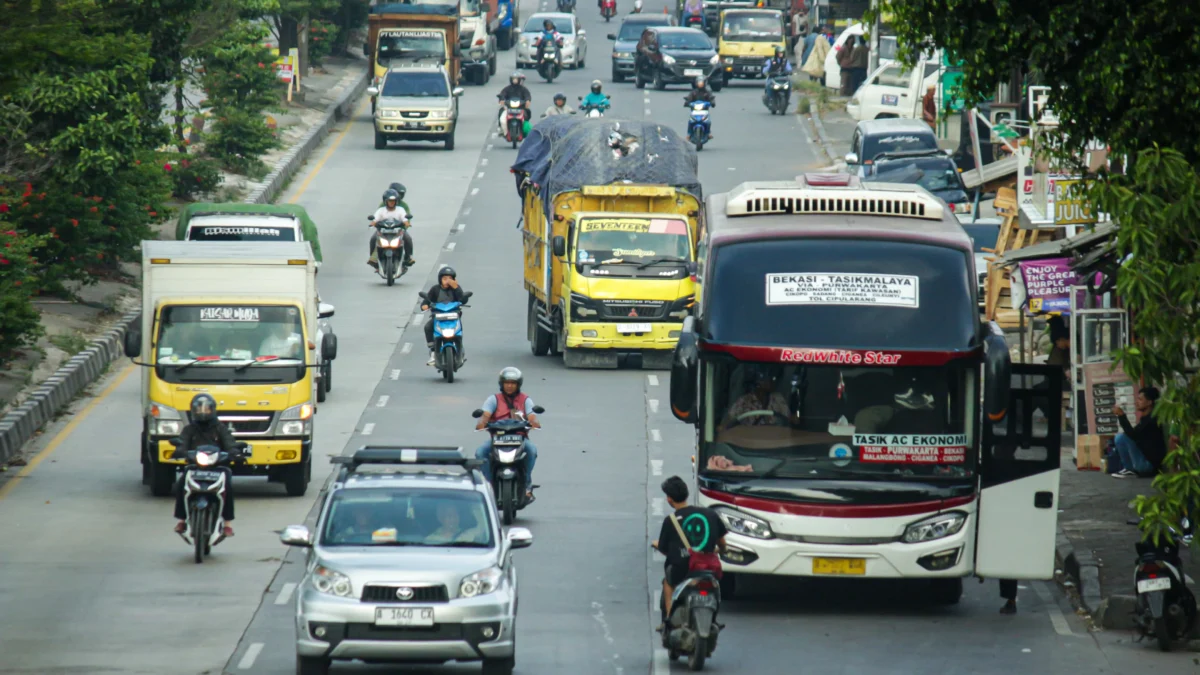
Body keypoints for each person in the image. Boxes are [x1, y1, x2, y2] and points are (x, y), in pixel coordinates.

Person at [651, 476, 727, 631]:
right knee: (715, 587)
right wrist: (722, 551)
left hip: (682, 570)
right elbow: (722, 544)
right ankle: (714, 618)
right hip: (708, 567)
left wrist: (658, 545)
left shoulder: (670, 520)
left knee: (668, 583)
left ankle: (669, 620)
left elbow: (665, 549)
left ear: (669, 499)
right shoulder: (711, 515)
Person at [173, 393, 238, 537]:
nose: (203, 412)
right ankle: (182, 520)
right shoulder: (189, 429)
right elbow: (182, 443)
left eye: (206, 409)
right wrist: (179, 451)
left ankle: (227, 523)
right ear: (193, 411)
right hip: (195, 467)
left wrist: (234, 453)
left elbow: (230, 443)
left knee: (227, 484)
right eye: (199, 409)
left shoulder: (220, 428)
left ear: (213, 410)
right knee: (181, 484)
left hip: (218, 467)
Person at [474, 367, 541, 501]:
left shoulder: (525, 400)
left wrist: (533, 422)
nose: (509, 386)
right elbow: (485, 415)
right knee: (480, 452)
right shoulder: (493, 399)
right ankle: (488, 485)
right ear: (501, 384)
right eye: (507, 383)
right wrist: (483, 422)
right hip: (497, 438)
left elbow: (532, 416)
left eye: (513, 383)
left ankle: (527, 485)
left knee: (532, 451)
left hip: (519, 438)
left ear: (518, 385)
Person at [1110, 387, 1167, 478]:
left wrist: (1122, 416)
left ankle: (1129, 468)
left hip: (1148, 466)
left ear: (1149, 402)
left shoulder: (1152, 420)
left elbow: (1133, 435)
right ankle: (1129, 469)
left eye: (1140, 399)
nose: (1136, 402)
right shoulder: (1145, 419)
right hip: (1145, 464)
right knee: (1121, 437)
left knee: (1122, 437)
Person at [420, 266, 468, 365]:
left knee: (459, 330)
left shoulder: (456, 289)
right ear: (440, 279)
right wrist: (424, 305)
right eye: (445, 278)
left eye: (450, 279)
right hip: (438, 317)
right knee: (428, 327)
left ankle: (460, 352)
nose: (447, 281)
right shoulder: (435, 289)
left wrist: (456, 287)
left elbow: (463, 299)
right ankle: (433, 352)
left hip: (453, 317)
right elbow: (427, 299)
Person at [721, 367, 793, 430]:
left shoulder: (778, 398)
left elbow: (788, 418)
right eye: (767, 379)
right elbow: (729, 420)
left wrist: (795, 419)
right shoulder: (744, 401)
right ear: (757, 383)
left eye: (772, 379)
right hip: (750, 442)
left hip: (775, 441)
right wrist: (723, 427)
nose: (772, 381)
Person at [369, 189, 413, 269]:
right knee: (373, 239)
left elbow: (405, 219)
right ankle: (373, 258)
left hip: (397, 232)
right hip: (383, 232)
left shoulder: (400, 209)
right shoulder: (381, 210)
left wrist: (406, 223)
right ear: (386, 201)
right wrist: (373, 223)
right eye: (390, 201)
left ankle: (408, 257)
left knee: (408, 238)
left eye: (393, 201)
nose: (391, 203)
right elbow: (375, 219)